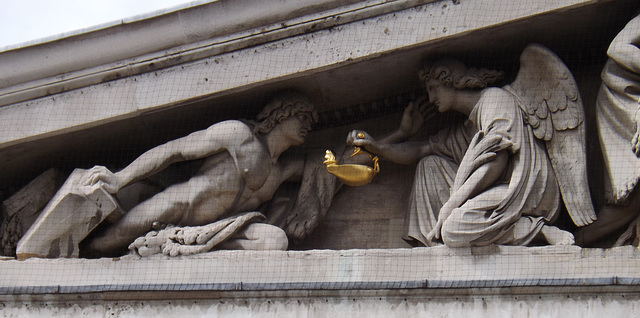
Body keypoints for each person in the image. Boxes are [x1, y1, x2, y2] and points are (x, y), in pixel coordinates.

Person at [347, 58, 575, 247]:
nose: (430, 98)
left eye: (434, 88)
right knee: (429, 164)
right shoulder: (464, 129)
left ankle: (536, 229)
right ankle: (431, 246)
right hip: (493, 194)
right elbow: (419, 150)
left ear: (452, 81)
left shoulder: (495, 100)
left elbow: (496, 161)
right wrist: (378, 146)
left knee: (454, 229)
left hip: (520, 192)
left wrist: (451, 204)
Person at [82, 91, 318, 255]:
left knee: (276, 241)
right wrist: (120, 178)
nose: (308, 125)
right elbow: (174, 150)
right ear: (281, 113)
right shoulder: (238, 134)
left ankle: (195, 249)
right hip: (178, 209)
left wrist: (354, 145)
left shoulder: (284, 168)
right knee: (100, 246)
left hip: (223, 230)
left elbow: (326, 166)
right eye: (303, 117)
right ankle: (167, 241)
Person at [575, 14, 640, 246]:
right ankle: (576, 240)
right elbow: (617, 47)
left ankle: (578, 240)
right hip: (623, 96)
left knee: (632, 204)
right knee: (630, 198)